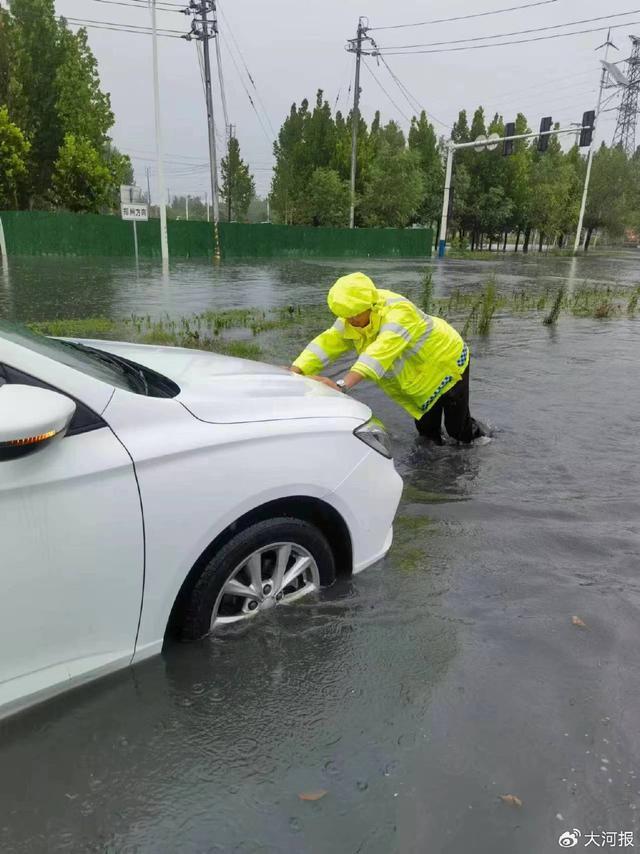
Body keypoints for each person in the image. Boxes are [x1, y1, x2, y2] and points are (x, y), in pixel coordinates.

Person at [290, 272, 485, 444]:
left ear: (369, 305)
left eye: (355, 316)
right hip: (421, 378)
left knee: (458, 431)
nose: (350, 321)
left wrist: (341, 385)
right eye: (346, 317)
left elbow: (378, 353)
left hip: (446, 362)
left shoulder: (399, 313)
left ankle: (482, 438)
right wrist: (296, 370)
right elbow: (327, 342)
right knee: (427, 433)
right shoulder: (353, 314)